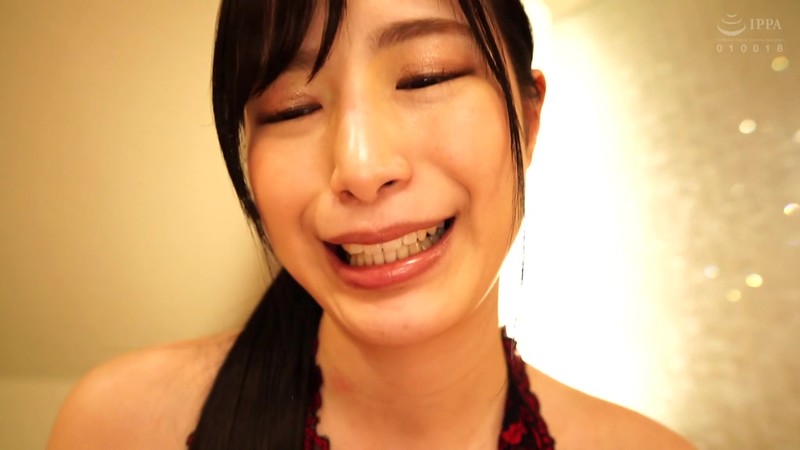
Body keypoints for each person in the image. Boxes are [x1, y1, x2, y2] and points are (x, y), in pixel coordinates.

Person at [47, 0, 696, 448]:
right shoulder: (120, 427)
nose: (360, 166)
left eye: (425, 77)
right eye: (292, 108)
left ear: (526, 121)